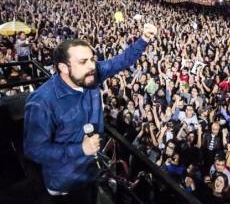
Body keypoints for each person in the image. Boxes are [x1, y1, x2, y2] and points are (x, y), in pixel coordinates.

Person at [23, 23, 157, 204]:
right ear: (63, 68)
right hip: (66, 184)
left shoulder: (91, 75)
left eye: (92, 59)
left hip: (92, 173)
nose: (92, 65)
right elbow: (34, 150)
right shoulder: (42, 102)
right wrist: (80, 149)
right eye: (83, 62)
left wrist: (144, 39)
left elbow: (122, 60)